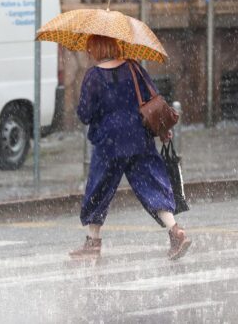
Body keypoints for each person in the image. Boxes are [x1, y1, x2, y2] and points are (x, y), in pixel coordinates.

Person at [69, 35, 191, 261]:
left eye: (89, 48)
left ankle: (93, 243)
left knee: (99, 189)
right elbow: (153, 98)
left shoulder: (94, 77)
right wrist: (162, 129)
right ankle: (175, 231)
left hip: (109, 143)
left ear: (95, 48)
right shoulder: (134, 68)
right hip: (138, 138)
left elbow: (84, 115)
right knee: (152, 185)